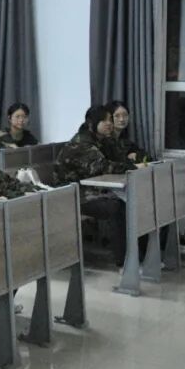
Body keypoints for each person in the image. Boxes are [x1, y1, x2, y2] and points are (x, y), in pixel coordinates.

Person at [54, 105, 137, 265]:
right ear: (92, 124)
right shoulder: (82, 143)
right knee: (118, 207)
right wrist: (131, 166)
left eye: (110, 120)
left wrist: (123, 156)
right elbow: (104, 167)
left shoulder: (102, 140)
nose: (109, 124)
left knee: (135, 200)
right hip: (74, 196)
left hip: (93, 191)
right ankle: (124, 261)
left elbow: (119, 159)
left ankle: (139, 253)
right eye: (104, 121)